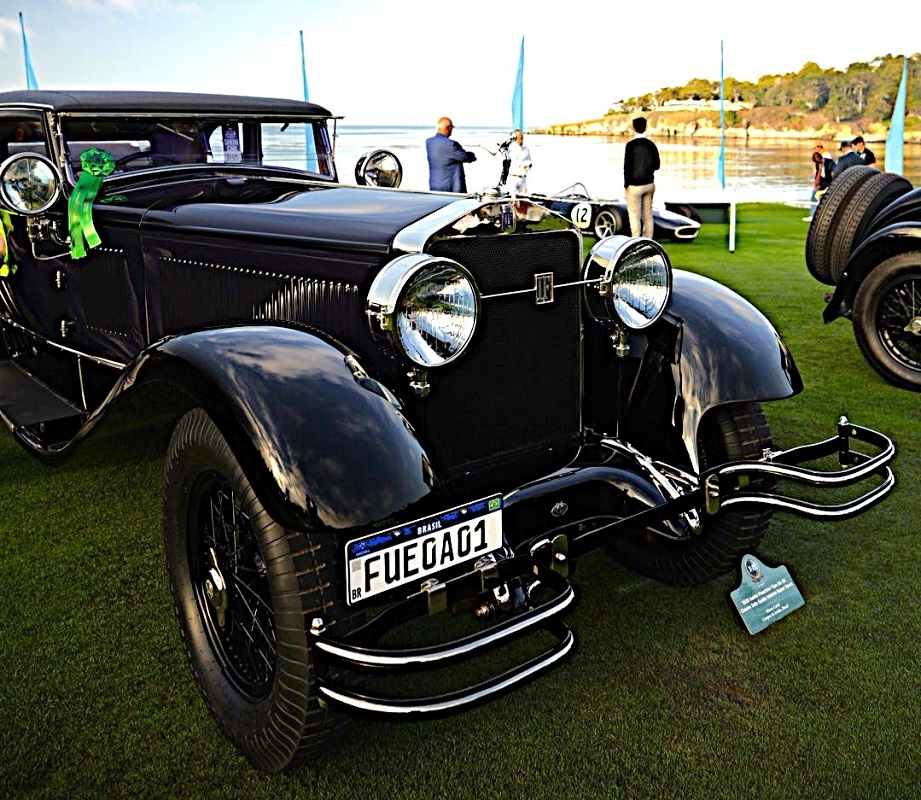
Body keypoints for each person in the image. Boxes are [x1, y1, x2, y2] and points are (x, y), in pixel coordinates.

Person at [623, 116, 659, 238]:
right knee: (648, 215)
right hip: (649, 184)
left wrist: (626, 185)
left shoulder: (630, 146)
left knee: (634, 216)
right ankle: (648, 240)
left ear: (633, 127)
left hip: (634, 185)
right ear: (645, 127)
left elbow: (627, 167)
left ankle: (636, 241)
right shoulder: (651, 145)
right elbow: (657, 165)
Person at [426, 117, 477, 193]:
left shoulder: (429, 142)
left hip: (434, 186)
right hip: (452, 189)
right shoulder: (451, 144)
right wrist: (472, 155)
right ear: (448, 128)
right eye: (452, 128)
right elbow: (465, 157)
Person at [805, 143, 835, 220]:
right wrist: (815, 183)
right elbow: (818, 173)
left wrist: (830, 186)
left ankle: (817, 216)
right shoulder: (818, 162)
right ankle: (813, 215)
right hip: (821, 182)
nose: (814, 149)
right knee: (814, 197)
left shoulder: (828, 159)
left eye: (815, 147)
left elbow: (833, 173)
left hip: (828, 183)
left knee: (823, 200)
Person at [507, 129, 532, 195]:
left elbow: (530, 160)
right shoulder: (511, 148)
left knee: (524, 198)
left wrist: (528, 165)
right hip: (512, 178)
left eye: (522, 136)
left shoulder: (526, 149)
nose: (521, 138)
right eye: (519, 136)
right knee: (512, 199)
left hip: (523, 178)